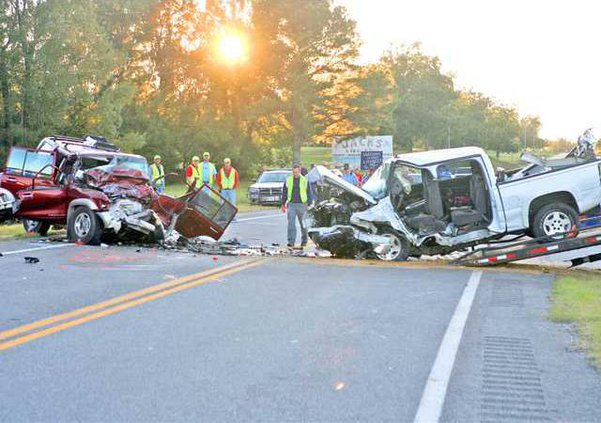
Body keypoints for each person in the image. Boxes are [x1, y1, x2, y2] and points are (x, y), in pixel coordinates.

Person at [281, 164, 311, 248]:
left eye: (296, 172)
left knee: (303, 224)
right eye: (294, 172)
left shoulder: (304, 180)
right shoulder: (288, 180)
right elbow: (284, 192)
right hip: (291, 204)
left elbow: (309, 192)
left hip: (302, 204)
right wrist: (283, 204)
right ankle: (291, 241)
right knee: (291, 224)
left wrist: (309, 203)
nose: (295, 174)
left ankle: (304, 240)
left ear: (299, 171)